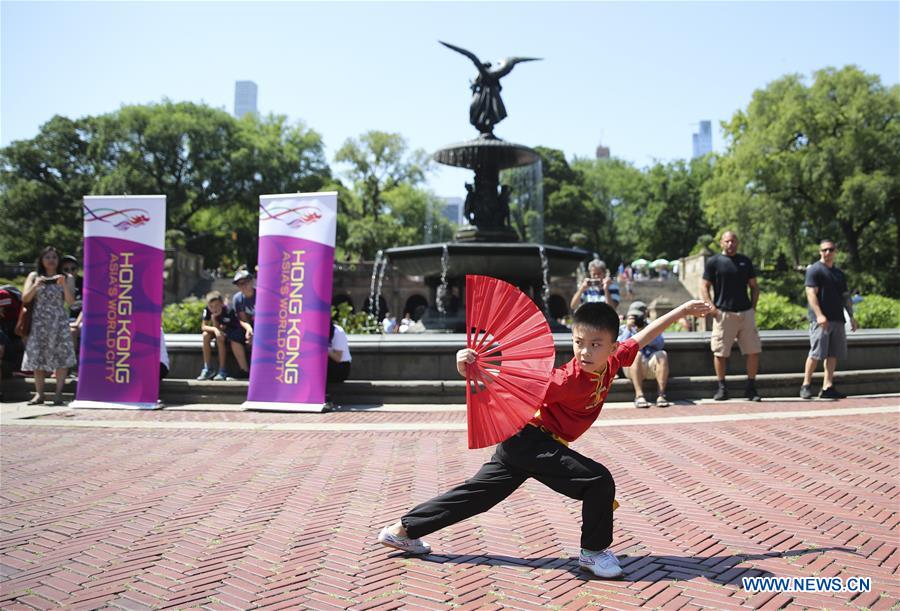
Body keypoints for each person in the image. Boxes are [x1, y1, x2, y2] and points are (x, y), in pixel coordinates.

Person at [377, 298, 712, 578]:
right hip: (530, 440)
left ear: (611, 346)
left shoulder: (613, 362)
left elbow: (641, 337)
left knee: (478, 495)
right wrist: (471, 369)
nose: (585, 352)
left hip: (523, 443)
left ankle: (402, 530)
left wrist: (681, 311)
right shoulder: (566, 379)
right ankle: (593, 553)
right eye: (579, 343)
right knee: (597, 481)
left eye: (595, 345)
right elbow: (514, 381)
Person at [700, 231, 762, 401]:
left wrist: (753, 308)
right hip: (723, 314)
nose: (730, 244)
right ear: (721, 243)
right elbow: (704, 286)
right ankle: (722, 387)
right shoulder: (714, 262)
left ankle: (751, 387)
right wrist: (711, 308)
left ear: (738, 242)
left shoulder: (745, 261)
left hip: (745, 313)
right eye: (727, 241)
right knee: (720, 353)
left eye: (733, 241)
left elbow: (754, 287)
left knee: (753, 351)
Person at [21, 246, 78, 405]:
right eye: (47, 257)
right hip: (39, 322)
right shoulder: (34, 276)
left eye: (54, 257)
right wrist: (36, 285)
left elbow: (71, 302)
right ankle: (39, 394)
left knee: (61, 358)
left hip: (59, 321)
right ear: (41, 260)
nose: (51, 260)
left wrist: (64, 284)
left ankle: (58, 394)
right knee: (37, 358)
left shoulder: (67, 277)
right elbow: (25, 298)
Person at [801, 239, 856, 400]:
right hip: (820, 320)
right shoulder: (814, 270)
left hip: (837, 318)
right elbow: (811, 294)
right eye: (824, 250)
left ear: (835, 252)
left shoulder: (839, 274)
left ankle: (828, 386)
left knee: (833, 354)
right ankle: (806, 385)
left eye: (831, 250)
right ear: (820, 252)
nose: (827, 253)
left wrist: (851, 316)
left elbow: (845, 297)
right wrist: (819, 315)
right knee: (816, 353)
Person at [618, 303, 670, 408]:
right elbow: (620, 348)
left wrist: (645, 333)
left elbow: (660, 344)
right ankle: (639, 396)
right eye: (634, 316)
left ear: (645, 316)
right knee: (636, 354)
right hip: (632, 367)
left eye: (639, 317)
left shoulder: (652, 327)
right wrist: (629, 330)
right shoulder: (623, 329)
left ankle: (661, 395)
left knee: (662, 354)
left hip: (650, 364)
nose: (637, 320)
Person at [196, 291, 251, 381]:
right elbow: (203, 326)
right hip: (218, 330)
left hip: (231, 331)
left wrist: (218, 328)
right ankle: (207, 368)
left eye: (217, 305)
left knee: (220, 338)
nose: (214, 309)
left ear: (222, 304)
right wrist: (214, 324)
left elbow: (231, 326)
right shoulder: (207, 310)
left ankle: (222, 370)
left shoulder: (229, 311)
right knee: (205, 335)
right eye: (211, 306)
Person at [231, 270, 255, 346]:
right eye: (239, 284)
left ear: (251, 281)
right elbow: (242, 319)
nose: (243, 286)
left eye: (245, 282)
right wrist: (249, 329)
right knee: (234, 337)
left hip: (263, 326)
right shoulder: (237, 299)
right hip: (248, 327)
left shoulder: (262, 295)